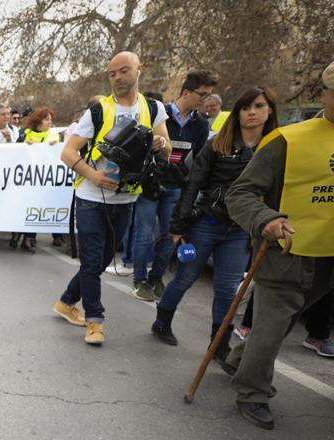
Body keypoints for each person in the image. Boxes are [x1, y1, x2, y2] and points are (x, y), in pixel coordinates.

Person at [221, 63, 334, 430]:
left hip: (329, 258)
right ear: (324, 95)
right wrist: (266, 220)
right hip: (286, 254)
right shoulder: (288, 140)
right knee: (271, 327)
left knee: (281, 323)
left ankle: (240, 359)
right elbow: (239, 194)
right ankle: (252, 391)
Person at [151, 87, 277, 360]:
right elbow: (192, 184)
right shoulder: (217, 143)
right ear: (238, 112)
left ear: (270, 111)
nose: (252, 113)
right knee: (184, 278)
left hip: (241, 230)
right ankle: (162, 322)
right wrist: (178, 226)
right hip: (206, 223)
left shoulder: (275, 148)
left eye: (259, 106)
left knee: (227, 289)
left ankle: (218, 344)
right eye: (246, 107)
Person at [54, 51, 171, 345]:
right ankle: (95, 321)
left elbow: (168, 150)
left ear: (139, 70)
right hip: (91, 197)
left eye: (124, 71)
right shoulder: (98, 111)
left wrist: (160, 145)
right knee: (93, 262)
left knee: (103, 259)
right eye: (112, 73)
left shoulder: (154, 108)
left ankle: (67, 301)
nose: (118, 78)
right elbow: (68, 153)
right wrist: (92, 175)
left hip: (126, 199)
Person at [130, 70, 218, 302]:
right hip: (150, 184)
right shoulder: (159, 113)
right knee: (144, 235)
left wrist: (190, 185)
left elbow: (198, 160)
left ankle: (156, 278)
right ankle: (139, 280)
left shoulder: (200, 125)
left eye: (209, 95)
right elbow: (139, 146)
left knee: (170, 237)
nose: (205, 100)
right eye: (202, 94)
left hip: (176, 188)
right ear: (186, 92)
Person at [12, 107, 61, 251]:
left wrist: (53, 147)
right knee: (21, 207)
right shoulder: (24, 134)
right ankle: (15, 233)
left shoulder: (54, 136)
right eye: (47, 120)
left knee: (34, 209)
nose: (49, 123)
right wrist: (23, 146)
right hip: (24, 178)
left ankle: (28, 238)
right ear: (38, 121)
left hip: (41, 180)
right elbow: (14, 152)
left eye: (51, 120)